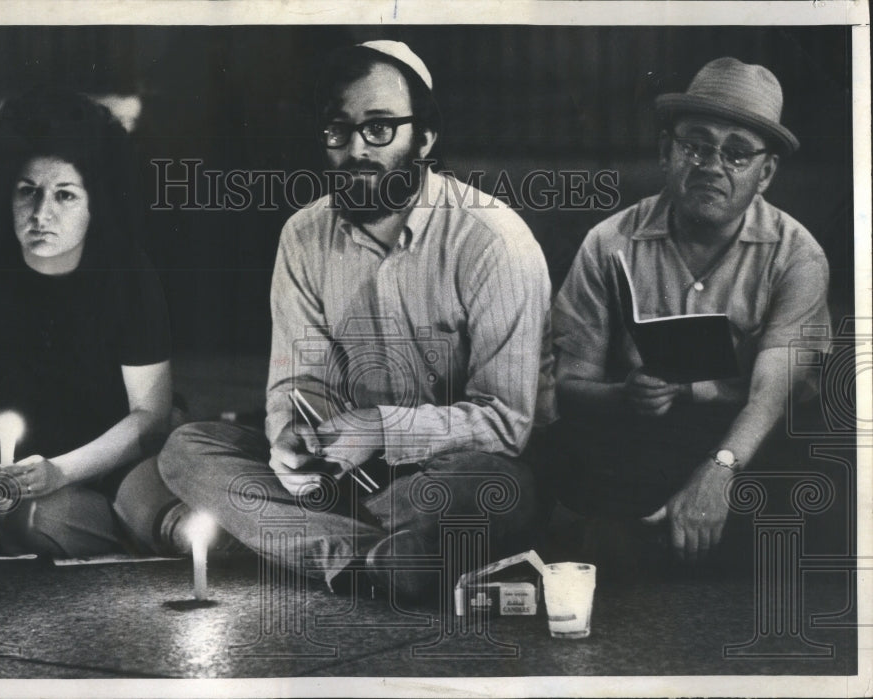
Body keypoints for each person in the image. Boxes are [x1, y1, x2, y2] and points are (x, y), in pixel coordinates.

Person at [158, 41, 555, 599]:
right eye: (338, 131)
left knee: (483, 491)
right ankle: (374, 560)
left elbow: (507, 424)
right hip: (340, 476)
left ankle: (278, 539)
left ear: (426, 138)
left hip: (457, 474)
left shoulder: (494, 242)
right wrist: (290, 440)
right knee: (188, 449)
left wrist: (379, 428)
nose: (355, 150)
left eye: (379, 128)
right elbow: (298, 383)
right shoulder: (303, 234)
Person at [550, 57, 830, 570]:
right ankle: (657, 542)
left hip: (750, 441)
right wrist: (625, 394)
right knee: (563, 457)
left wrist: (718, 473)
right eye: (695, 145)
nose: (711, 165)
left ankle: (645, 541)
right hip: (643, 436)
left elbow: (771, 398)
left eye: (738, 153)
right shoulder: (609, 243)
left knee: (819, 486)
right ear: (665, 152)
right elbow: (570, 384)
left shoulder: (797, 256)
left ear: (765, 173)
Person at [0, 87, 180, 562]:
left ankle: (152, 526)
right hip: (20, 483)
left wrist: (63, 470)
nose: (41, 213)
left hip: (114, 461)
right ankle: (134, 532)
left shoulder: (128, 273)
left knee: (168, 514)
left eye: (65, 195)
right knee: (35, 520)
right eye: (28, 191)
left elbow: (150, 414)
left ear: (97, 204)